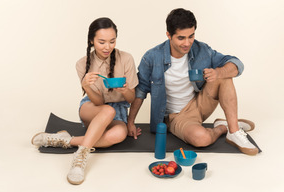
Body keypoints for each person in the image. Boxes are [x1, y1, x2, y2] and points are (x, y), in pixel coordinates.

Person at [127, 8, 259, 156]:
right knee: (202, 139)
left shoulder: (202, 49)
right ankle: (223, 127)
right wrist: (130, 122)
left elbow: (236, 63)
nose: (187, 43)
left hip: (199, 103)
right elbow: (141, 90)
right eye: (181, 38)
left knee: (224, 75)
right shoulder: (152, 57)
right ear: (169, 35)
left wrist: (218, 72)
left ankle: (234, 132)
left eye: (191, 36)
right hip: (176, 116)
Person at [31, 17, 140, 185]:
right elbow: (97, 102)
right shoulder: (82, 64)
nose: (107, 47)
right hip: (92, 107)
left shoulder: (126, 58)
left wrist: (125, 90)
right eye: (102, 42)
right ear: (91, 40)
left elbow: (132, 98)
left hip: (118, 108)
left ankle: (63, 140)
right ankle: (80, 159)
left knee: (119, 133)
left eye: (112, 41)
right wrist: (86, 86)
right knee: (107, 110)